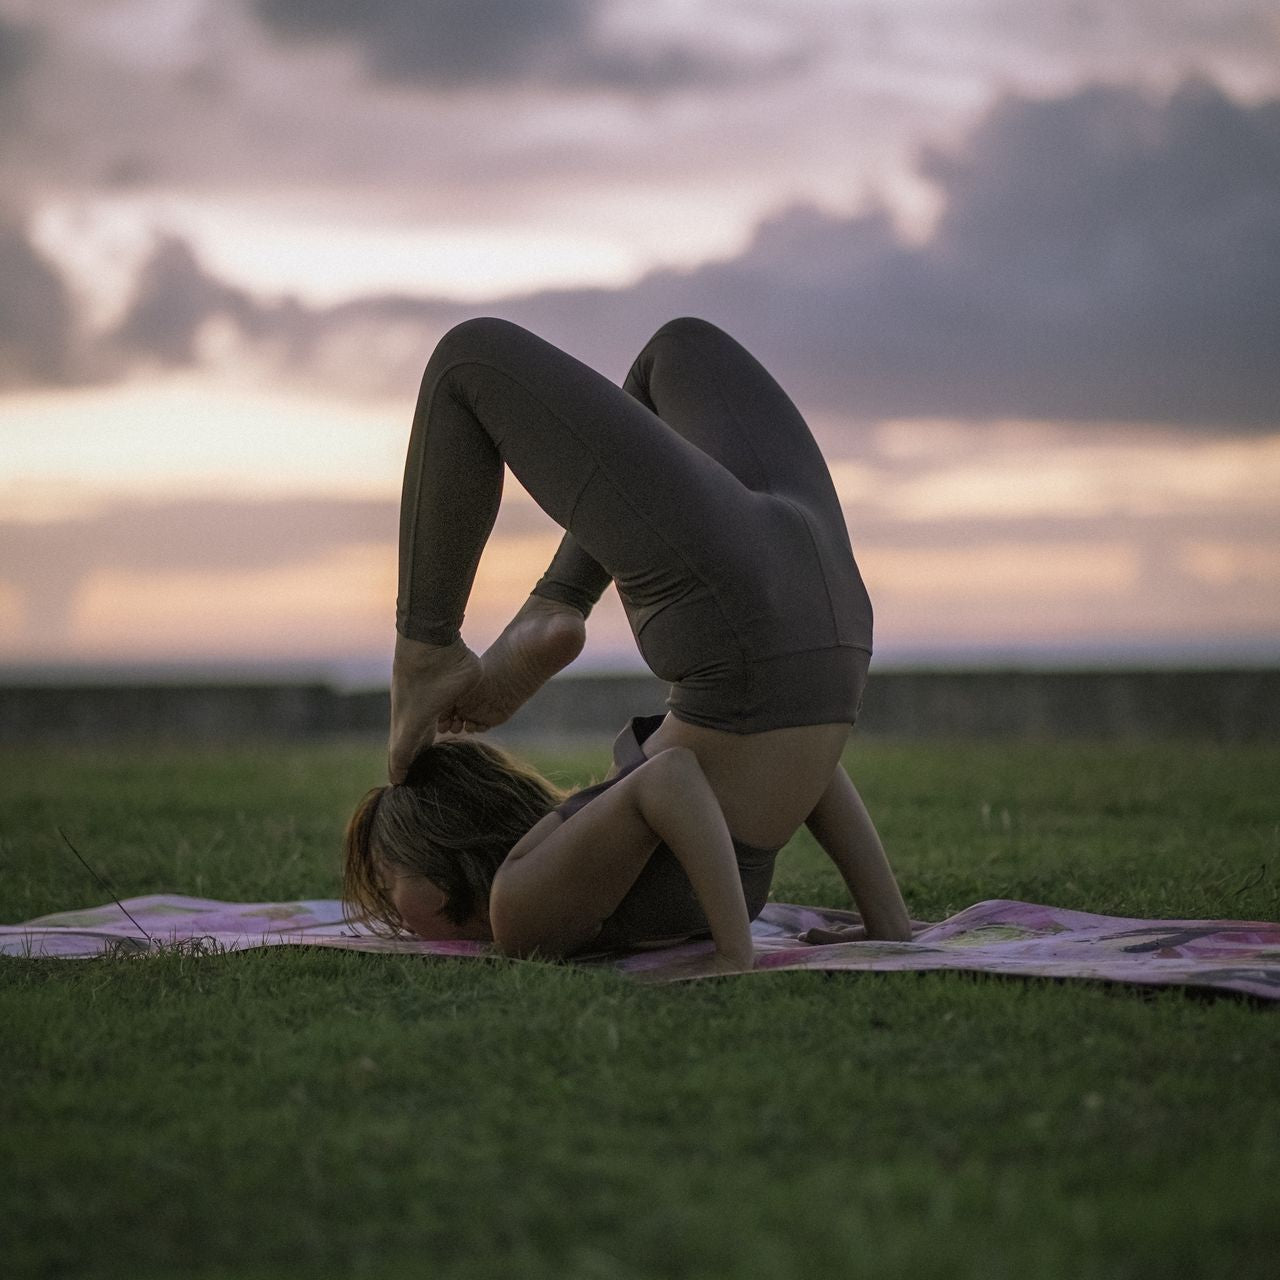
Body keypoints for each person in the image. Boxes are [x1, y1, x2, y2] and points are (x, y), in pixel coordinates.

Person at [343, 316, 912, 970]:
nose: (386, 905)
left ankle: (433, 649)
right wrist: (883, 924)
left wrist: (735, 951)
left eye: (386, 878)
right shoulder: (592, 872)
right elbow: (799, 772)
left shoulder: (519, 905)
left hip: (816, 640)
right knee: (633, 352)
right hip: (799, 623)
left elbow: (682, 775)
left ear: (439, 853)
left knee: (623, 358)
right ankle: (545, 603)